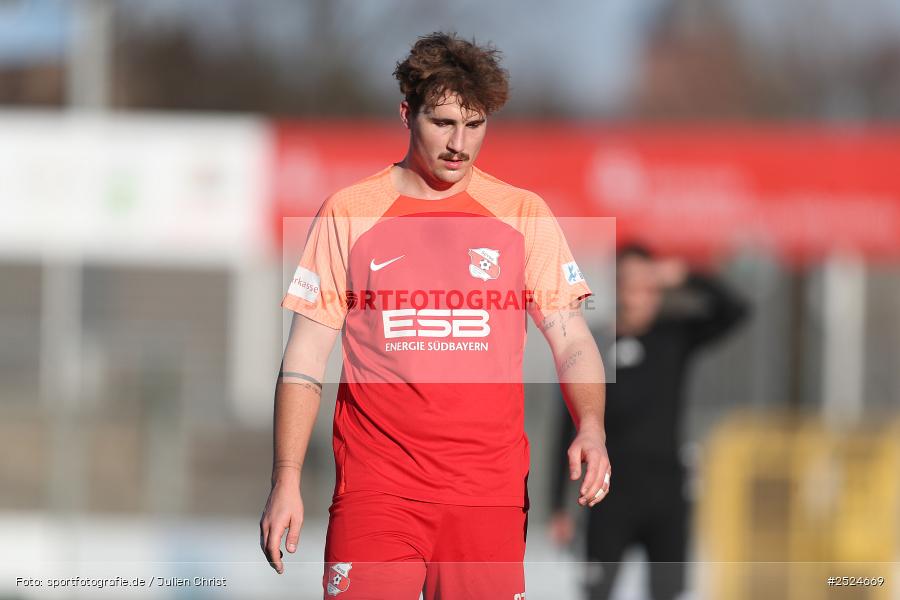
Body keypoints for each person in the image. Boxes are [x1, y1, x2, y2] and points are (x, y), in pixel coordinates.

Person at [259, 32, 611, 599]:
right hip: (377, 490)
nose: (459, 143)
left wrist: (591, 425)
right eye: (443, 122)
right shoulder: (349, 212)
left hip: (487, 495)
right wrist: (286, 478)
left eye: (474, 126)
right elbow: (303, 357)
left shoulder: (524, 215)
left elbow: (572, 340)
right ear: (407, 113)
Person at [549, 244, 749, 600]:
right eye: (632, 284)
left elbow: (736, 311)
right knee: (597, 592)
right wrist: (557, 505)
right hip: (609, 496)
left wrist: (684, 273)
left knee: (668, 592)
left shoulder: (673, 337)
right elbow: (568, 424)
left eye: (649, 286)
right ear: (617, 287)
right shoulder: (594, 345)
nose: (641, 295)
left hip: (666, 495)